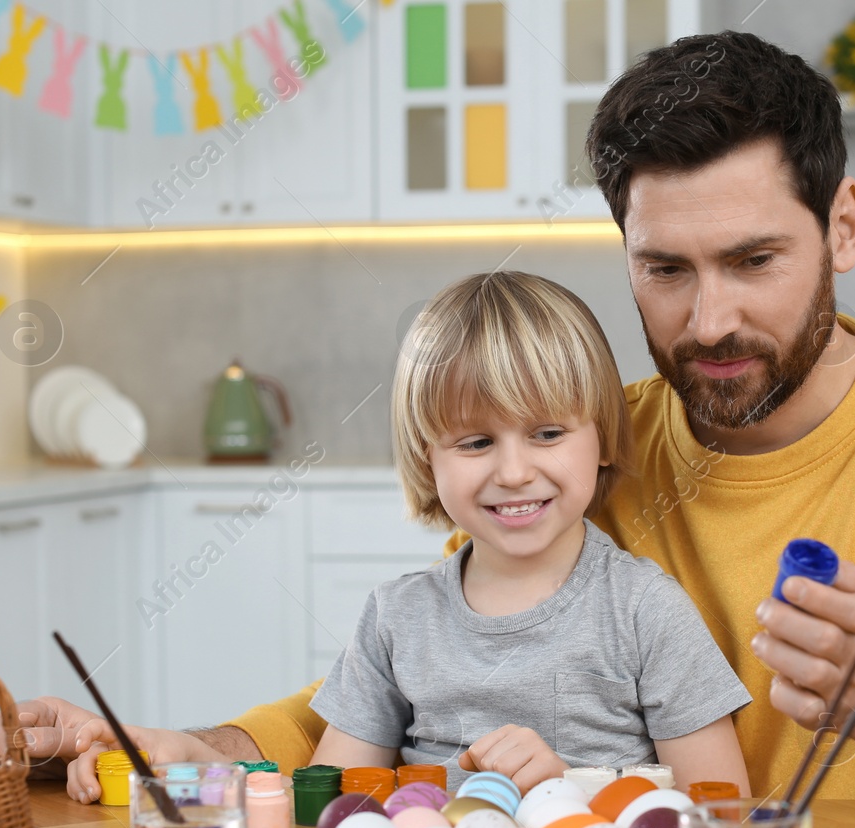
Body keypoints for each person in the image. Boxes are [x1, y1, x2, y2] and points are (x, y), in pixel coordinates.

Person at [0, 31, 855, 807]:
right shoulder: (581, 445)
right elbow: (389, 689)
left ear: (842, 227)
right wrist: (195, 751)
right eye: (664, 269)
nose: (709, 319)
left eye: (754, 259)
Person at [308, 271, 750, 793]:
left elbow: (723, 817)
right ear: (428, 462)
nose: (514, 472)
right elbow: (329, 806)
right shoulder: (395, 619)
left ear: (604, 438)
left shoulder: (646, 612)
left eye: (547, 434)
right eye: (475, 443)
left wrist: (574, 789)